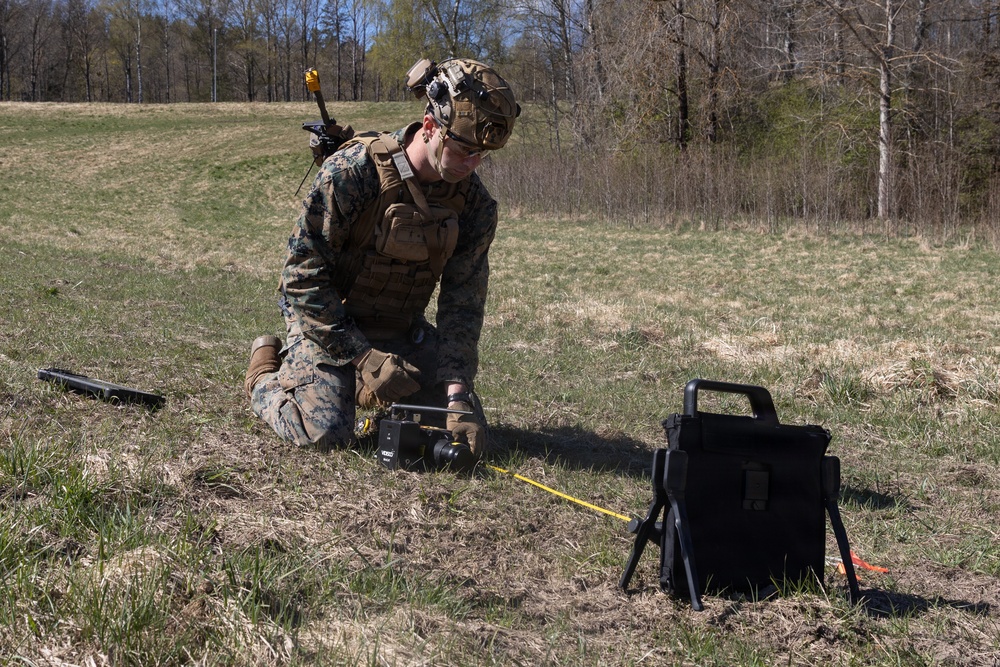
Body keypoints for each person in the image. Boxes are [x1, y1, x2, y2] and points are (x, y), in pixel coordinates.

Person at [244, 57, 519, 458]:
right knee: (326, 431)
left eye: (482, 155)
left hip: (399, 329)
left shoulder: (474, 206)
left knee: (460, 427)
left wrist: (458, 392)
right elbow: (301, 279)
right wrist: (363, 358)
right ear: (430, 127)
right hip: (326, 322)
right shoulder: (353, 174)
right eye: (463, 150)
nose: (472, 165)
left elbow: (464, 303)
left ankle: (360, 383)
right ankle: (265, 374)